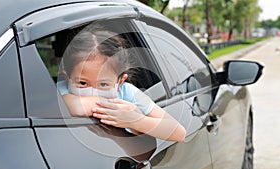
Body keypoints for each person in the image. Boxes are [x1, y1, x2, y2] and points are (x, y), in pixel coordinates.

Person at [57, 28, 186, 142]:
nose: (93, 91)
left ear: (120, 82)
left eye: (103, 84)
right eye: (83, 83)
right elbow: (71, 105)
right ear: (67, 77)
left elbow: (179, 133)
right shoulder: (61, 90)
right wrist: (114, 109)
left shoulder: (127, 92)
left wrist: (135, 120)